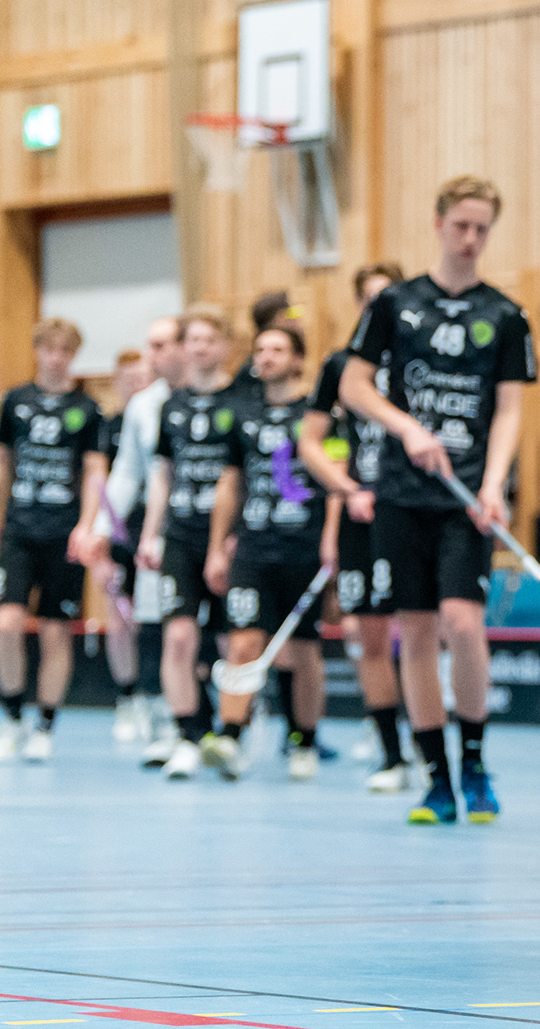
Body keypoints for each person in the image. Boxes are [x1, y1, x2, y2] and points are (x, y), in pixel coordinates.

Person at [342, 176, 536, 825]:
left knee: (463, 622)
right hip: (402, 493)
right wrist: (405, 427)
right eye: (461, 226)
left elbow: (508, 411)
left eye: (482, 228)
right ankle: (436, 778)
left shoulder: (504, 315)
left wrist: (494, 483)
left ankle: (474, 762)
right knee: (417, 630)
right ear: (438, 223)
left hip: (466, 498)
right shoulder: (395, 304)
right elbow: (354, 387)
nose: (471, 239)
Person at [205, 326, 343, 780]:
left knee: (303, 650)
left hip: (304, 546)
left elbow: (338, 478)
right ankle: (229, 736)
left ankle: (304, 740)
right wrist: (217, 548)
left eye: (278, 350)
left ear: (298, 360)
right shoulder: (242, 414)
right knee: (243, 641)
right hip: (253, 546)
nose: (266, 357)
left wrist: (332, 539)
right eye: (260, 349)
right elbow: (230, 484)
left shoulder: (321, 415)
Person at [0, 318, 108, 764]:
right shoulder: (16, 401)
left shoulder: (88, 409)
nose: (56, 358)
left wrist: (87, 524)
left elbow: (94, 471)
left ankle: (45, 725)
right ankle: (12, 718)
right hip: (18, 531)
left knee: (55, 632)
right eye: (49, 350)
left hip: (63, 536)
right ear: (37, 352)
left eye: (64, 351)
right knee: (6, 623)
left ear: (74, 356)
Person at [304, 262, 407, 790]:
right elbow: (312, 443)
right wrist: (346, 490)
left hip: (412, 509)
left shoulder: (419, 356)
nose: (378, 307)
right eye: (370, 298)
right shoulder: (340, 365)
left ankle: (441, 751)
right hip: (360, 516)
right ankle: (393, 756)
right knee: (369, 636)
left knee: (425, 632)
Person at [137, 304, 240, 780]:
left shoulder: (242, 401)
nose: (200, 347)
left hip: (231, 540)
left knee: (231, 641)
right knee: (178, 636)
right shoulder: (172, 405)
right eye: (193, 339)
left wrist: (240, 534)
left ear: (225, 346)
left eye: (209, 339)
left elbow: (254, 473)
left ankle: (232, 732)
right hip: (180, 534)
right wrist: (150, 534)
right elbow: (164, 474)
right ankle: (187, 735)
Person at [99, 317, 185, 761]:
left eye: (161, 345)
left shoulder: (223, 398)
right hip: (158, 533)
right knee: (153, 627)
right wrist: (101, 531)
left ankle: (227, 725)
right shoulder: (143, 406)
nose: (153, 355)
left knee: (207, 634)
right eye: (150, 346)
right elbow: (128, 473)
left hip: (210, 532)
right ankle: (164, 725)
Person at [98, 348, 155, 743]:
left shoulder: (158, 418)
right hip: (120, 534)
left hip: (155, 531)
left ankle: (157, 697)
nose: (136, 385)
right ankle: (127, 697)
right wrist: (100, 542)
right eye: (128, 379)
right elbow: (100, 482)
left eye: (142, 378)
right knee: (119, 619)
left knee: (154, 621)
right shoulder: (110, 427)